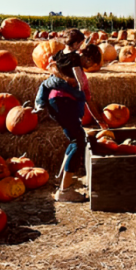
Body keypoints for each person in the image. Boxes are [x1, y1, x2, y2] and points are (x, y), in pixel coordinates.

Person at [35, 29, 106, 202]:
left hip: (58, 104)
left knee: (75, 138)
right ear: (87, 58)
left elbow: (89, 101)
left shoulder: (74, 67)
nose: (91, 68)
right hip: (62, 104)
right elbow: (55, 71)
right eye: (92, 64)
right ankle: (65, 191)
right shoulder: (75, 69)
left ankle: (62, 178)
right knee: (78, 141)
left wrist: (100, 121)